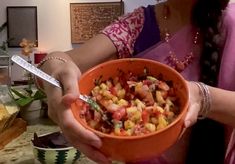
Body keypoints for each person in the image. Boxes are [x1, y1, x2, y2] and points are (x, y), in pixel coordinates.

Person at [36, 0, 235, 163]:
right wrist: (54, 69)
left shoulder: (231, 19)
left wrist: (204, 97)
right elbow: (60, 61)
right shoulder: (137, 24)